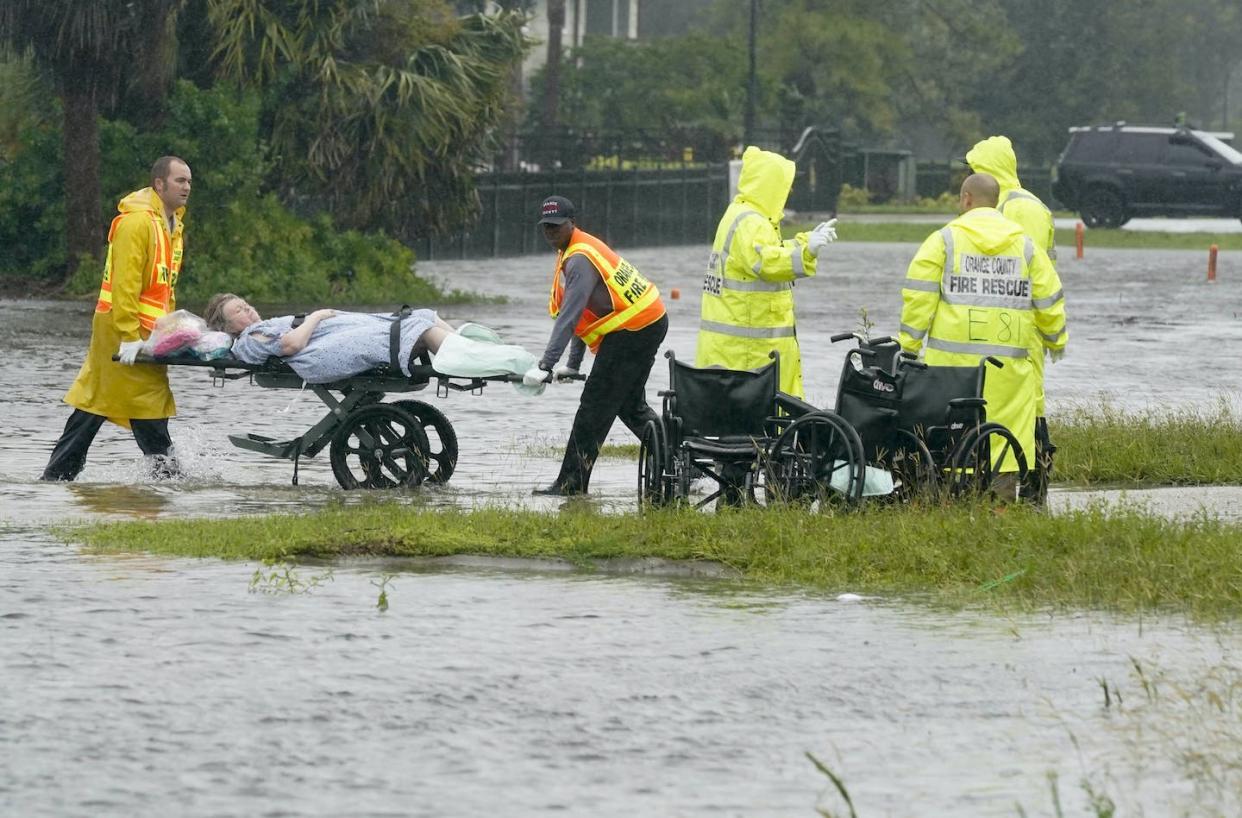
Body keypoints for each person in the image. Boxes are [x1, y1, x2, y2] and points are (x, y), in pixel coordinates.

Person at [897, 173, 1067, 487]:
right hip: (1008, 372)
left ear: (966, 199)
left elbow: (919, 295)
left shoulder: (944, 240)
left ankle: (953, 506)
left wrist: (908, 345)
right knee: (1005, 440)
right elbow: (1049, 298)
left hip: (950, 370)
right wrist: (1057, 340)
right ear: (997, 202)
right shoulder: (1025, 246)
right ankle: (999, 509)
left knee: (952, 440)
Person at [42, 156, 193, 482]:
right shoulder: (137, 223)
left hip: (148, 333)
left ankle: (56, 478)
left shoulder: (173, 225)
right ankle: (170, 481)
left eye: (189, 181)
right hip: (121, 331)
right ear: (159, 184)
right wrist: (128, 337)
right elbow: (125, 287)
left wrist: (172, 331)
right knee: (137, 405)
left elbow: (164, 289)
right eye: (180, 180)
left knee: (98, 404)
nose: (186, 187)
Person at [524, 195, 668, 496]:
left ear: (571, 223)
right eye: (546, 227)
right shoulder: (573, 249)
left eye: (556, 226)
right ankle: (678, 462)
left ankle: (570, 485)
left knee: (594, 407)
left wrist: (545, 366)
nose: (551, 232)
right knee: (629, 405)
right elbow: (585, 317)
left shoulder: (578, 259)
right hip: (646, 322)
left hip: (635, 329)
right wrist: (573, 364)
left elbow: (570, 315)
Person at [965, 135, 1065, 498]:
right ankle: (1007, 488)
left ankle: (1035, 491)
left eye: (975, 169)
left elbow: (1033, 272)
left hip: (1023, 330)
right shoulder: (1000, 204)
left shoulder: (1021, 208)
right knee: (1005, 408)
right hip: (1003, 329)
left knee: (1031, 410)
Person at [695, 145, 837, 398]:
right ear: (771, 185)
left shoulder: (741, 214)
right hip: (750, 349)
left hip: (736, 346)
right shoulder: (752, 222)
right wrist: (807, 253)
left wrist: (805, 241)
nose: (789, 191)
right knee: (760, 410)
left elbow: (768, 251)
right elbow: (767, 262)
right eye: (784, 184)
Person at [203, 293, 535, 386]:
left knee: (422, 316)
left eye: (246, 306)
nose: (249, 312)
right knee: (414, 329)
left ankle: (475, 351)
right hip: (319, 354)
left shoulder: (259, 327)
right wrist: (318, 316)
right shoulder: (249, 338)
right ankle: (492, 359)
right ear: (228, 326)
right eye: (239, 312)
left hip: (330, 337)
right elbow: (290, 345)